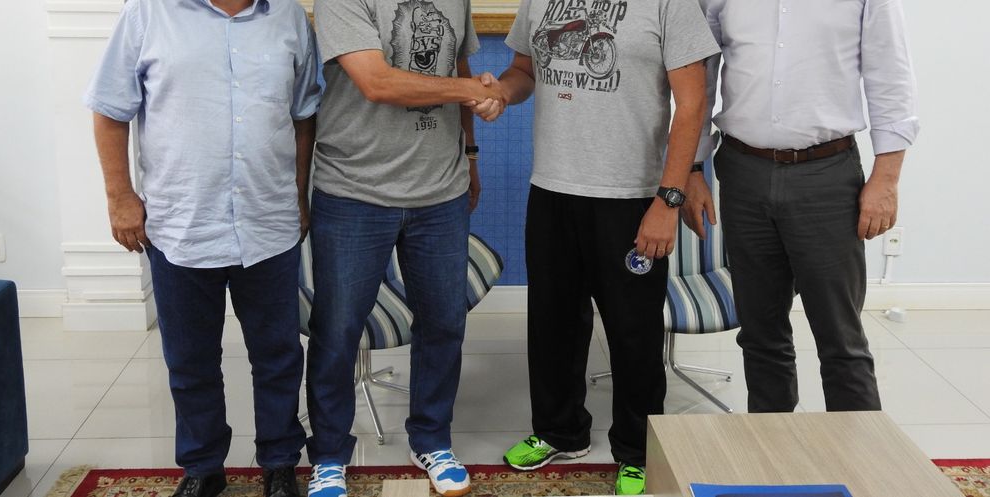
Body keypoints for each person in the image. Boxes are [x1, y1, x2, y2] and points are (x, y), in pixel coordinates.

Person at [480, 0, 719, 493]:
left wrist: (667, 200)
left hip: (631, 196)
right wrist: (502, 90)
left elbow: (693, 103)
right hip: (552, 187)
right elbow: (524, 69)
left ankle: (638, 449)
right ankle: (559, 431)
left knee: (634, 332)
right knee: (553, 323)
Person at [84, 1, 320, 496]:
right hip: (181, 224)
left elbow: (303, 116)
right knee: (190, 361)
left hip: (267, 221)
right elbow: (109, 110)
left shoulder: (289, 17)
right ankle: (202, 467)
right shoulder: (147, 14)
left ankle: (279, 463)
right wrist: (120, 197)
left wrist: (299, 194)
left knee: (278, 356)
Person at [303, 1, 502, 497]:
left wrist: (470, 154)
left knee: (444, 323)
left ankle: (431, 439)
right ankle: (328, 454)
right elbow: (377, 83)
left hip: (441, 191)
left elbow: (458, 63)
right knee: (337, 329)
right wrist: (474, 91)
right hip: (354, 190)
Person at [684, 0, 919, 413]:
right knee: (760, 333)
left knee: (840, 337)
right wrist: (693, 168)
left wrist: (887, 178)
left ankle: (855, 449)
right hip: (743, 173)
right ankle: (771, 444)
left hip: (826, 177)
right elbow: (701, 77)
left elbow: (891, 77)